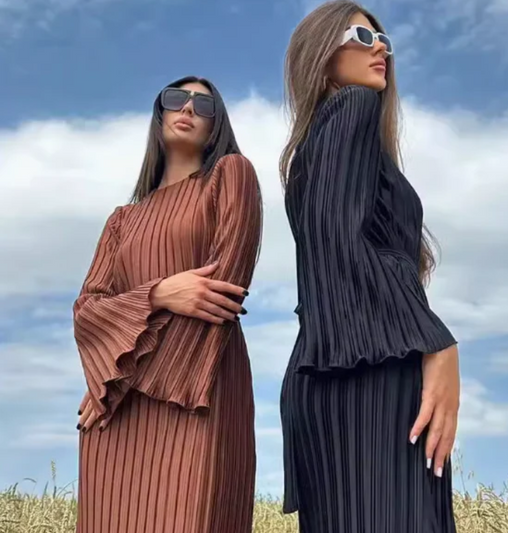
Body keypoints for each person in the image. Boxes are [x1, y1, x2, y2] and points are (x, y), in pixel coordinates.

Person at [279, 2, 460, 532]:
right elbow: (338, 238)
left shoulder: (316, 143)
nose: (380, 46)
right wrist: (435, 339)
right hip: (370, 374)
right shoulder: (352, 106)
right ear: (321, 53)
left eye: (384, 39)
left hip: (338, 373)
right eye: (361, 36)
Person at [74, 75, 262, 533]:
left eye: (205, 104)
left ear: (217, 124)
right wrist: (159, 293)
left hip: (198, 387)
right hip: (117, 414)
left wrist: (117, 373)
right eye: (177, 99)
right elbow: (87, 310)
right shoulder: (122, 220)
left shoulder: (231, 174)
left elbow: (222, 291)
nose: (189, 109)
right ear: (159, 113)